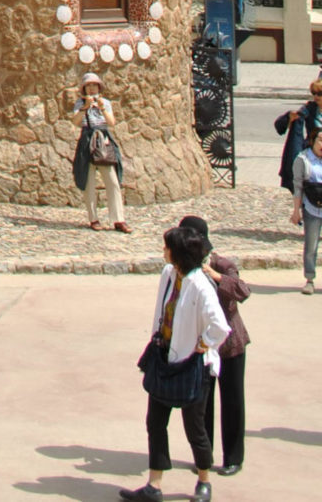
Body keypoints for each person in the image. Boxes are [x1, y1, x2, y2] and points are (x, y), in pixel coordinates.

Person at [119, 224, 228, 502]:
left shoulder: (201, 285)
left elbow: (219, 326)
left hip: (193, 366)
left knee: (195, 428)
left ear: (178, 253)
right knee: (155, 423)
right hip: (165, 359)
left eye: (167, 246)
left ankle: (204, 481)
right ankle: (154, 485)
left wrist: (203, 344)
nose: (163, 250)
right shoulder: (169, 274)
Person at [178, 215, 248, 477]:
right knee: (201, 405)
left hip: (230, 346)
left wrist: (215, 275)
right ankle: (203, 458)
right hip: (202, 348)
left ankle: (233, 458)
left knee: (232, 402)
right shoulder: (184, 269)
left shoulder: (222, 264)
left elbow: (243, 290)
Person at [73, 72, 130, 233]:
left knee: (112, 180)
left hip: (103, 140)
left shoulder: (105, 102)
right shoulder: (80, 103)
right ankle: (93, 218)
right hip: (87, 141)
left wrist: (102, 107)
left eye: (94, 85)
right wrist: (85, 108)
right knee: (89, 181)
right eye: (88, 86)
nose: (91, 89)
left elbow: (111, 122)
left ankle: (118, 219)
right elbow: (76, 122)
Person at [290, 122, 322, 294]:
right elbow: (298, 188)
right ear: (313, 141)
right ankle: (309, 278)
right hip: (311, 208)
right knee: (311, 245)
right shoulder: (303, 160)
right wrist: (296, 211)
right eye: (321, 140)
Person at [275, 76, 322, 191]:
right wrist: (289, 117)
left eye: (319, 93)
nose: (315, 97)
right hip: (314, 156)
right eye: (313, 93)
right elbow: (279, 125)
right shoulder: (309, 109)